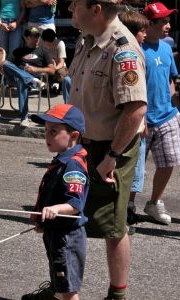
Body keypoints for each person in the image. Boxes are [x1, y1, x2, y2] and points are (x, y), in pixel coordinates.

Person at [67, 0, 147, 299]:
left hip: (111, 149)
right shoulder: (85, 40)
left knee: (112, 225)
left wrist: (112, 156)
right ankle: (64, 289)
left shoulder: (122, 49)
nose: (70, 9)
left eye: (76, 4)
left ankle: (118, 294)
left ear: (96, 8)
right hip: (81, 144)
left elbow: (136, 109)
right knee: (68, 217)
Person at [22, 104, 89, 300]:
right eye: (45, 131)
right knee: (60, 282)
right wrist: (44, 221)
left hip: (67, 237)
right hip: (57, 232)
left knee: (67, 290)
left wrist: (54, 210)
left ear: (73, 136)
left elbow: (75, 204)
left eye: (53, 131)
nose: (47, 136)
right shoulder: (62, 159)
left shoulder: (73, 164)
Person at [139, 2, 180, 225]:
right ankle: (126, 208)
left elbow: (171, 78)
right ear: (149, 24)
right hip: (142, 119)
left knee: (168, 162)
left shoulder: (166, 48)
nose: (168, 25)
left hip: (167, 116)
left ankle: (154, 203)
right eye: (163, 21)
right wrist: (140, 118)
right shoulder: (137, 49)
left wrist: (175, 109)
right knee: (135, 170)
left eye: (168, 21)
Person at [117, 10, 149, 231]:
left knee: (136, 171)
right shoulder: (128, 54)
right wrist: (142, 120)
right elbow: (132, 98)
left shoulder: (139, 52)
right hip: (130, 123)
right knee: (129, 169)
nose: (145, 34)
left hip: (140, 120)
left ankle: (126, 209)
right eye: (141, 31)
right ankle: (121, 214)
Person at [3, 27, 55, 127]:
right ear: (26, 38)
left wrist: (35, 70)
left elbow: (52, 70)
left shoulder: (43, 51)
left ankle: (24, 118)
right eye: (34, 36)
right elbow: (5, 67)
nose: (37, 38)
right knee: (6, 64)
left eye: (38, 36)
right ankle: (30, 79)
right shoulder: (18, 51)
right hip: (14, 79)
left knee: (22, 81)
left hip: (32, 82)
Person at [41, 29, 68, 94]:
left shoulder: (60, 43)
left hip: (58, 66)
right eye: (47, 44)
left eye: (50, 44)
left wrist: (54, 68)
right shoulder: (42, 44)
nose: (48, 46)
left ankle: (61, 86)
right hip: (48, 65)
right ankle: (47, 87)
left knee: (61, 73)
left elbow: (62, 62)